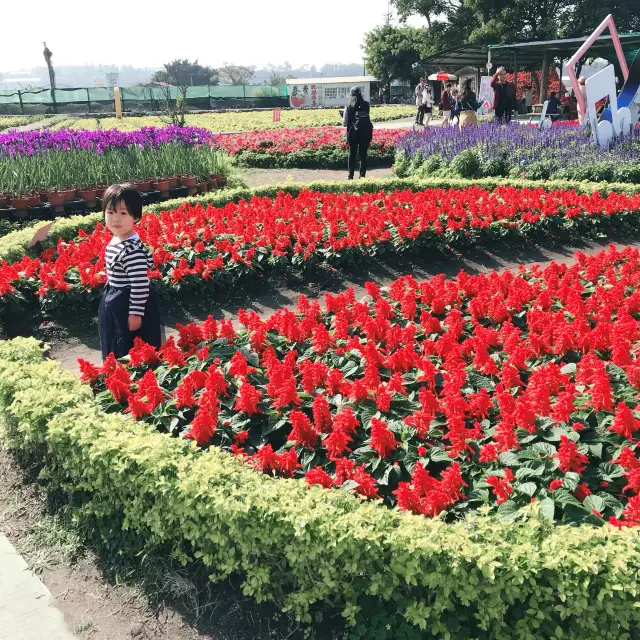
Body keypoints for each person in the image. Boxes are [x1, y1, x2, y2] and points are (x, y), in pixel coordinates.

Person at [99, 183, 162, 361]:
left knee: (129, 345)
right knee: (113, 339)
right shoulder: (117, 240)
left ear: (135, 217)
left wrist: (135, 314)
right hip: (115, 297)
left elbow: (140, 283)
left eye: (123, 213)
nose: (115, 219)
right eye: (110, 213)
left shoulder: (132, 249)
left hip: (128, 303)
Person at [342, 86, 373, 180]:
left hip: (353, 134)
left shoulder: (348, 107)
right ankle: (362, 176)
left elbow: (345, 123)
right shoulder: (366, 105)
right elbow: (366, 117)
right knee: (363, 155)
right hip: (364, 133)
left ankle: (350, 175)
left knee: (352, 154)